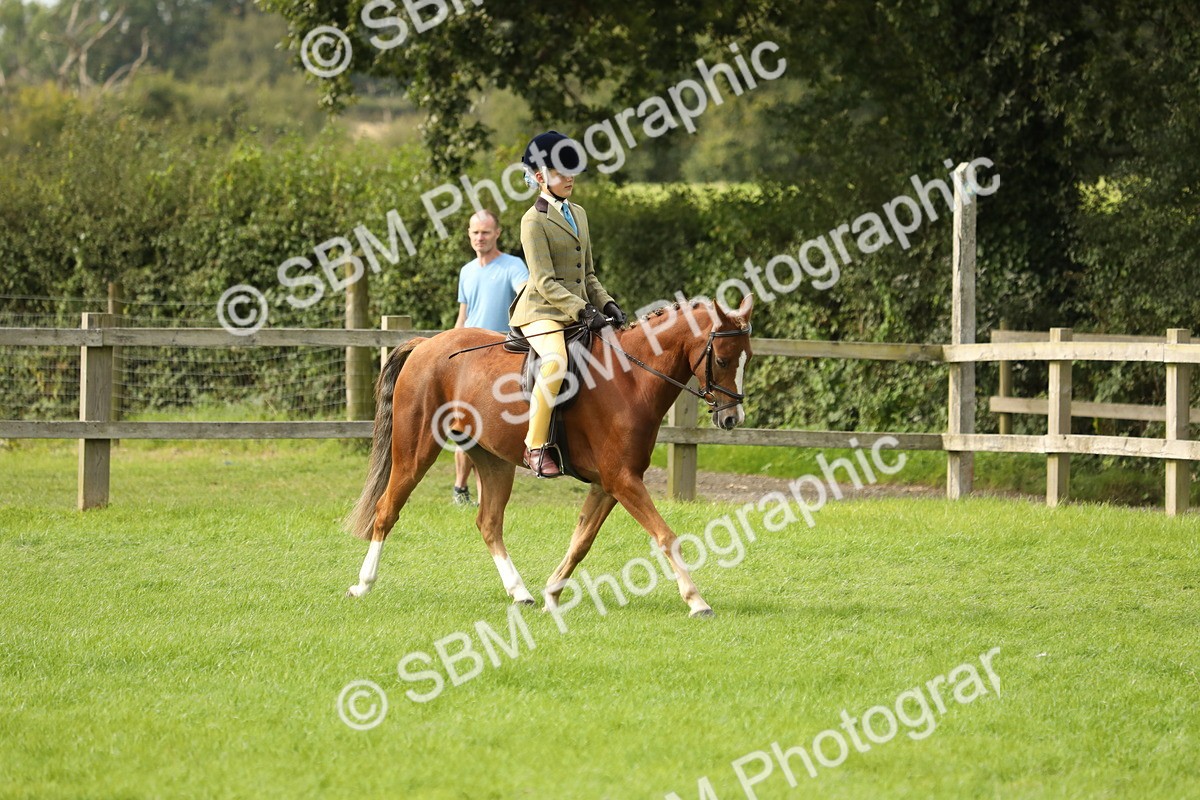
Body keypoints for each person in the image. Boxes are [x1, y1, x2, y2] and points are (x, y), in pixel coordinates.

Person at [508, 130, 627, 478]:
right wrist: (582, 310)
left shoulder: (580, 213)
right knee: (557, 362)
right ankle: (534, 446)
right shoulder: (532, 221)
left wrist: (606, 304)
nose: (569, 177)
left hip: (577, 307)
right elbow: (544, 282)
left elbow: (588, 274)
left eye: (571, 170)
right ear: (541, 177)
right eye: (561, 172)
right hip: (541, 311)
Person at [452, 208, 529, 505]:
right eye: (475, 232)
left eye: (485, 232)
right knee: (462, 424)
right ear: (469, 235)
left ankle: (477, 494)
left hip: (499, 356)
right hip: (468, 357)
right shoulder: (466, 271)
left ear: (497, 233)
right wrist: (450, 348)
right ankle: (460, 488)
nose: (480, 238)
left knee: (484, 427)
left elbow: (524, 291)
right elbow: (463, 316)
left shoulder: (513, 266)